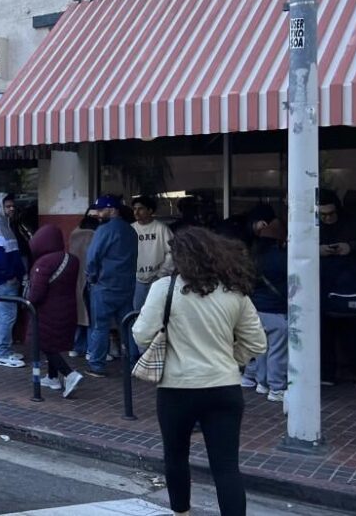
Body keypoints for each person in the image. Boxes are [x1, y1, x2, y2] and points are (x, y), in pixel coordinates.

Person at [133, 227, 267, 516]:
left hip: (176, 387)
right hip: (224, 387)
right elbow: (256, 342)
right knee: (227, 466)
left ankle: (182, 512)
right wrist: (232, 359)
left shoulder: (164, 288)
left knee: (176, 456)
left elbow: (141, 334)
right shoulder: (234, 291)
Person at [318, 190, 356, 388]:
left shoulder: (355, 225)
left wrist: (351, 247)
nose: (327, 218)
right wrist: (316, 251)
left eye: (330, 214)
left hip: (350, 285)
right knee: (326, 335)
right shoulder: (316, 228)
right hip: (326, 287)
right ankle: (328, 373)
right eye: (323, 215)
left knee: (355, 335)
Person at [25, 224, 84, 398]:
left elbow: (37, 293)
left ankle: (70, 375)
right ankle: (52, 378)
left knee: (45, 344)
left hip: (47, 311)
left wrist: (27, 302)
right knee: (54, 343)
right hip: (68, 308)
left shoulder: (44, 262)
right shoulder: (72, 259)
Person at [85, 195, 138, 378]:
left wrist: (91, 277)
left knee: (100, 327)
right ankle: (132, 363)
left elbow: (92, 257)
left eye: (101, 209)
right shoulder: (131, 231)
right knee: (128, 326)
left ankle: (97, 365)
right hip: (127, 285)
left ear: (112, 209)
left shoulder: (104, 230)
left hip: (104, 286)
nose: (98, 213)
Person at [242, 217, 289, 402]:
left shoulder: (252, 258)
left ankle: (262, 383)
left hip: (256, 310)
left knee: (261, 349)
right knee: (277, 350)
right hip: (276, 310)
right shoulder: (282, 258)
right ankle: (276, 388)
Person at [0, 193, 27, 367]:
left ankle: (0, 349)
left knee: (1, 316)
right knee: (8, 316)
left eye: (12, 206)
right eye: (7, 206)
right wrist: (10, 275)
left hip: (6, 279)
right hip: (4, 280)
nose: (11, 209)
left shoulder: (5, 225)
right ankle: (3, 352)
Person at [131, 195, 174, 314]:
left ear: (150, 210)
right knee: (137, 314)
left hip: (158, 279)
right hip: (137, 280)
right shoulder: (130, 229)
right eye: (134, 209)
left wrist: (162, 273)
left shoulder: (162, 229)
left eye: (140, 209)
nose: (136, 212)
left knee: (157, 313)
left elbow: (171, 253)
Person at [68, 210, 99, 358]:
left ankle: (76, 347)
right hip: (91, 280)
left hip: (75, 280)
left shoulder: (74, 235)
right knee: (93, 317)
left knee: (79, 316)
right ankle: (91, 350)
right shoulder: (95, 236)